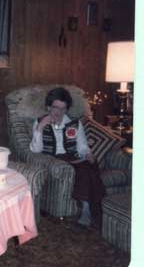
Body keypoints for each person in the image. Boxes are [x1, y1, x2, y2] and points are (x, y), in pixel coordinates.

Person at [29, 87, 105, 229]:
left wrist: (87, 154)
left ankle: (88, 208)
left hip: (72, 156)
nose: (58, 112)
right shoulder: (39, 122)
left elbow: (81, 146)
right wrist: (39, 128)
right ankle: (89, 210)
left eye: (63, 109)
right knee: (83, 170)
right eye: (55, 107)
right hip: (54, 158)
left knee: (89, 166)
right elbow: (36, 149)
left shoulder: (74, 123)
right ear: (48, 106)